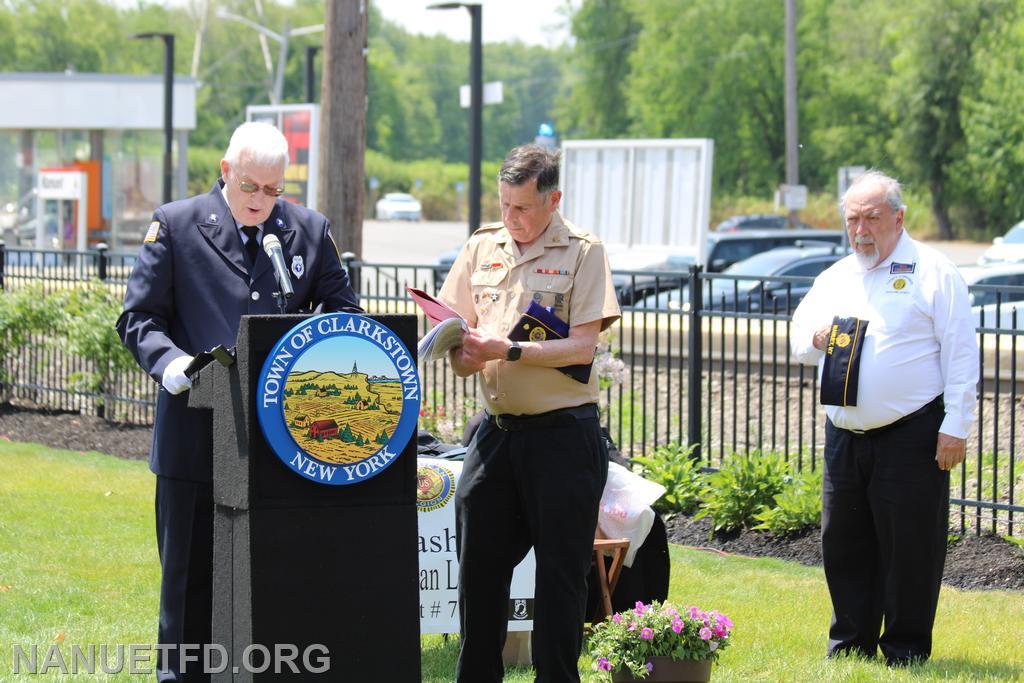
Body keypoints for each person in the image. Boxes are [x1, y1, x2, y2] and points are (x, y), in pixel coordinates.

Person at [116, 121, 361, 681]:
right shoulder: (175, 226)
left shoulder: (306, 230)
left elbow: (345, 314)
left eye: (273, 190)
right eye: (250, 187)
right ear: (226, 172)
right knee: (190, 583)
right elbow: (138, 318)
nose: (261, 202)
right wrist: (169, 362)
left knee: (270, 582)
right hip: (196, 435)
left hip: (280, 440)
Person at [437, 144, 620, 682]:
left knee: (561, 578)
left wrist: (509, 351)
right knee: (479, 573)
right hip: (496, 435)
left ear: (553, 198)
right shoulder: (482, 246)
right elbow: (456, 333)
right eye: (503, 206)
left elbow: (583, 347)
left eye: (522, 208)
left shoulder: (585, 252)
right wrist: (460, 350)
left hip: (563, 437)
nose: (510, 219)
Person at [791, 170, 978, 666]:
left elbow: (961, 354)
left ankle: (906, 648)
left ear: (899, 218)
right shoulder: (836, 276)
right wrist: (813, 338)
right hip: (845, 434)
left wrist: (955, 425)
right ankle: (851, 644)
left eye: (872, 218)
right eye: (852, 219)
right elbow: (799, 335)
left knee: (910, 546)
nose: (861, 231)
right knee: (844, 543)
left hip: (912, 432)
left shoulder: (935, 271)